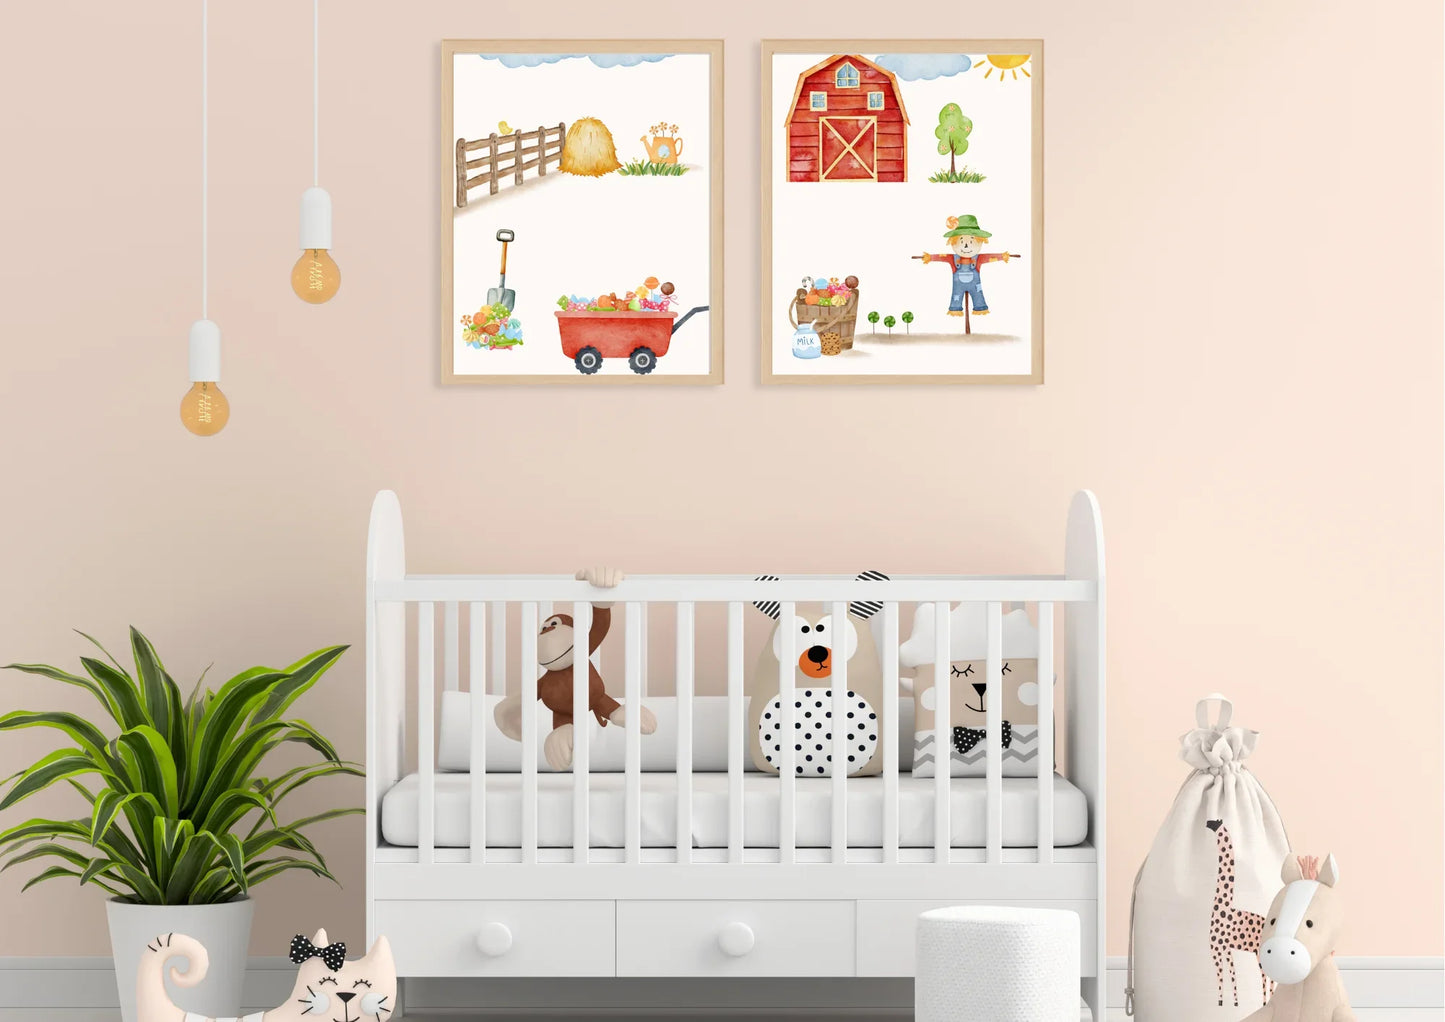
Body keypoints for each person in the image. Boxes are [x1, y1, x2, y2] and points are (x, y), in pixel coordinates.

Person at [919, 214, 1011, 317]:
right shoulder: (952, 258)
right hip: (958, 288)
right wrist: (930, 258)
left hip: (976, 287)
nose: (966, 246)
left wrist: (1001, 256)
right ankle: (956, 307)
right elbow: (941, 257)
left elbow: (990, 257)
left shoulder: (978, 259)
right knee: (956, 299)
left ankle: (979, 306)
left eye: (972, 241)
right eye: (961, 241)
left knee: (978, 298)